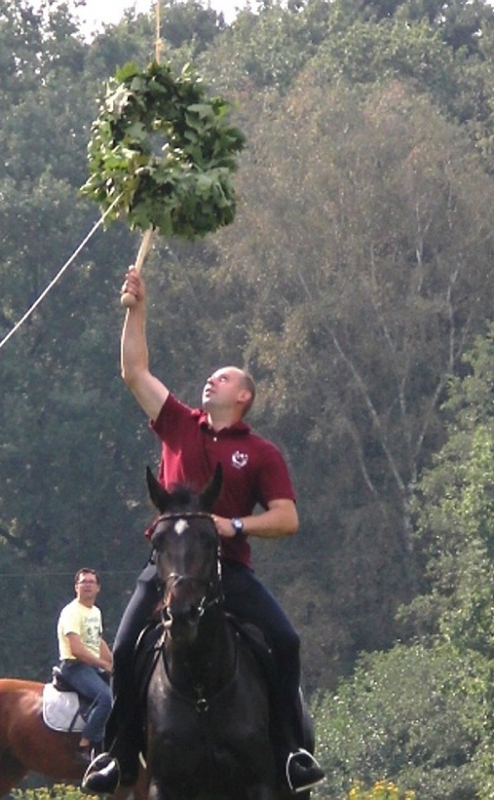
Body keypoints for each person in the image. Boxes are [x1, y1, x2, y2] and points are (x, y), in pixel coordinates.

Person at [82, 267, 325, 795]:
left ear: (244, 397)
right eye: (211, 377)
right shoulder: (177, 422)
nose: (211, 380)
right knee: (123, 651)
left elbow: (287, 517)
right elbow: (134, 371)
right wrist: (136, 309)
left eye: (225, 377)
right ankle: (117, 757)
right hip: (166, 569)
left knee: (285, 640)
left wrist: (233, 524)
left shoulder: (260, 452)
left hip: (228, 571)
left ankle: (292, 753)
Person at [57, 567, 114, 761]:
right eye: (83, 582)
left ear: (98, 588)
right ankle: (86, 745)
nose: (87, 585)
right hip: (75, 667)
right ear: (76, 587)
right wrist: (104, 665)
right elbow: (77, 650)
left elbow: (97, 641)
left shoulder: (95, 612)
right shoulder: (71, 612)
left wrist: (116, 663)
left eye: (91, 582)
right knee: (106, 698)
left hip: (92, 666)